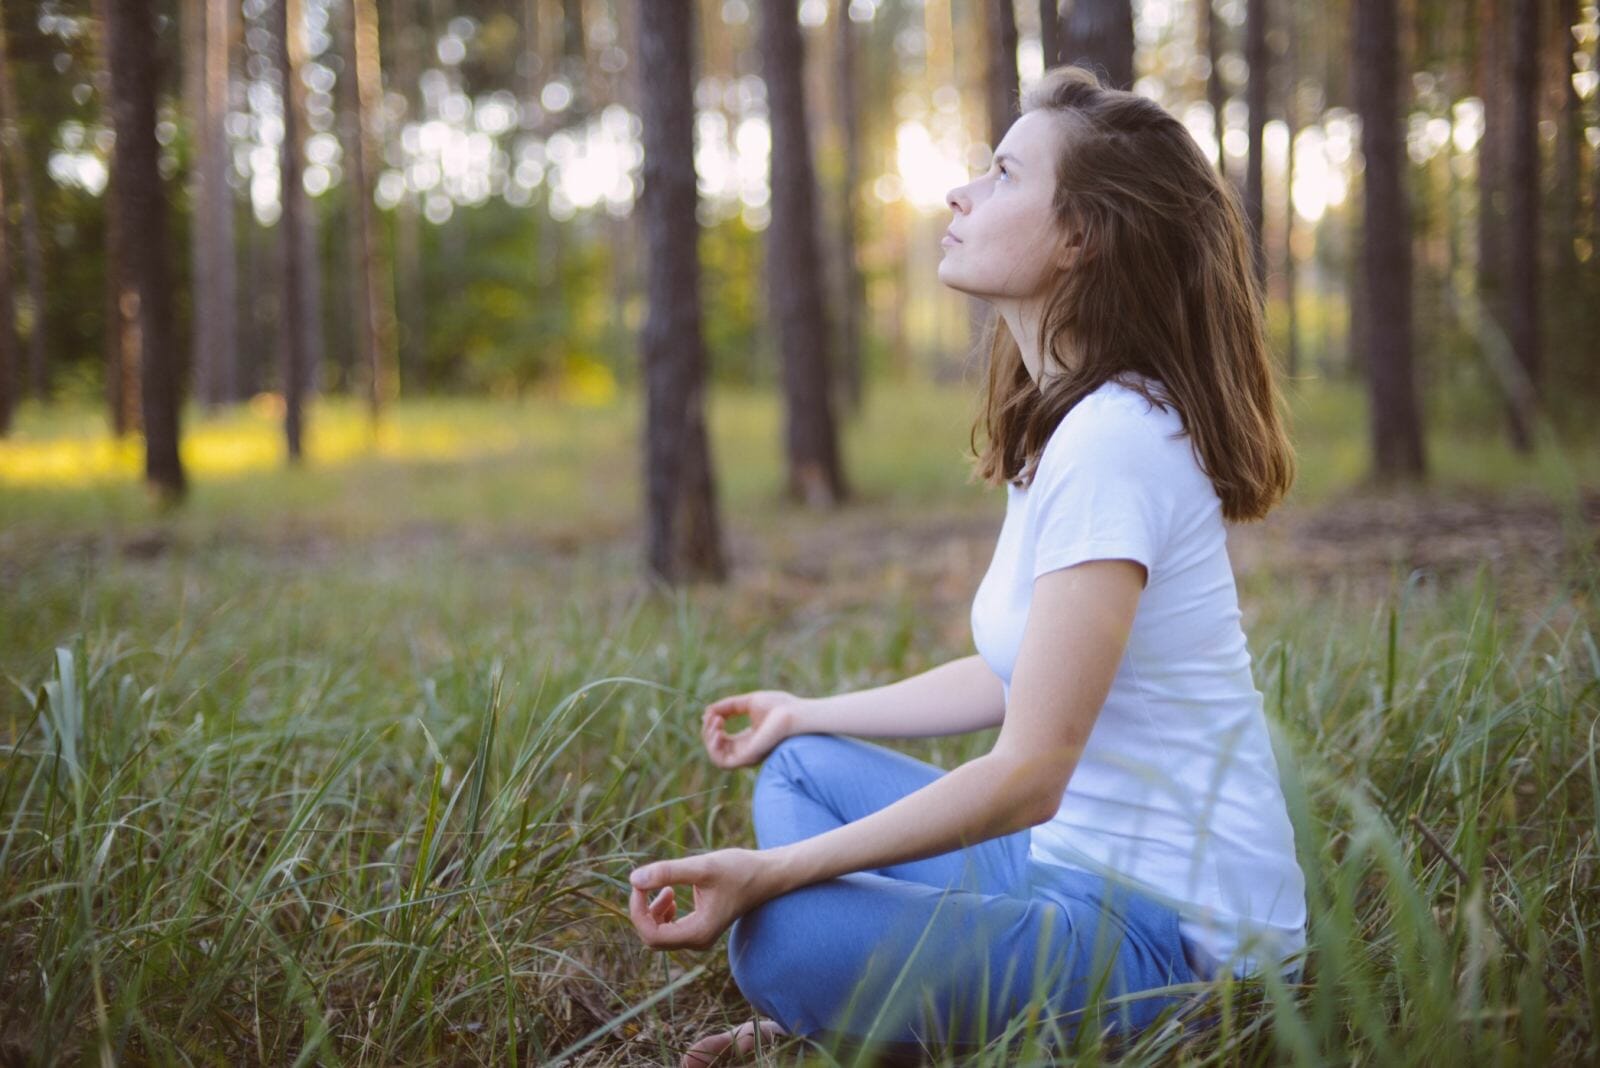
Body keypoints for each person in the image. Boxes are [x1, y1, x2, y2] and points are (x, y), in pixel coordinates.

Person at [626, 64, 1308, 1066]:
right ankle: (886, 997)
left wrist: (774, 876)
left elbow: (1031, 773)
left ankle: (849, 1007)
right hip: (1065, 869)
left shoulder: (1116, 441)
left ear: (1079, 236)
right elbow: (1013, 680)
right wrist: (807, 711)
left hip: (1180, 951)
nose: (960, 193)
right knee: (804, 763)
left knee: (780, 937)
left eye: (1001, 174)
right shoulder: (1068, 423)